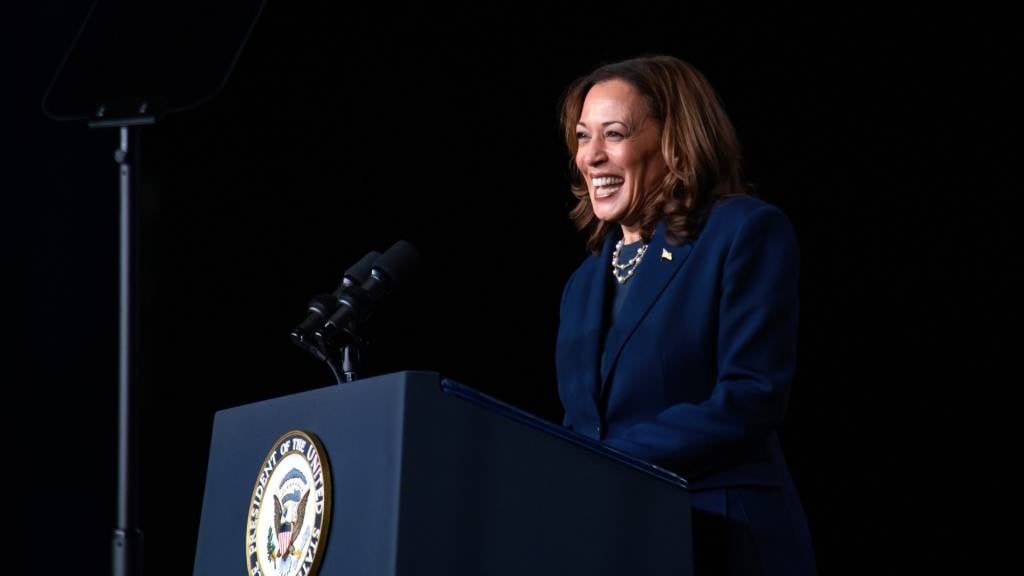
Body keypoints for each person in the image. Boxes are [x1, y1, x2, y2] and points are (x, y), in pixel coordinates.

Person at [555, 55, 817, 576]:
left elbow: (750, 398)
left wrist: (600, 458)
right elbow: (581, 422)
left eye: (615, 133)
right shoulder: (582, 283)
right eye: (584, 137)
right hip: (618, 540)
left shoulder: (742, 232)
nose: (593, 157)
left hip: (722, 534)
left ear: (673, 140)